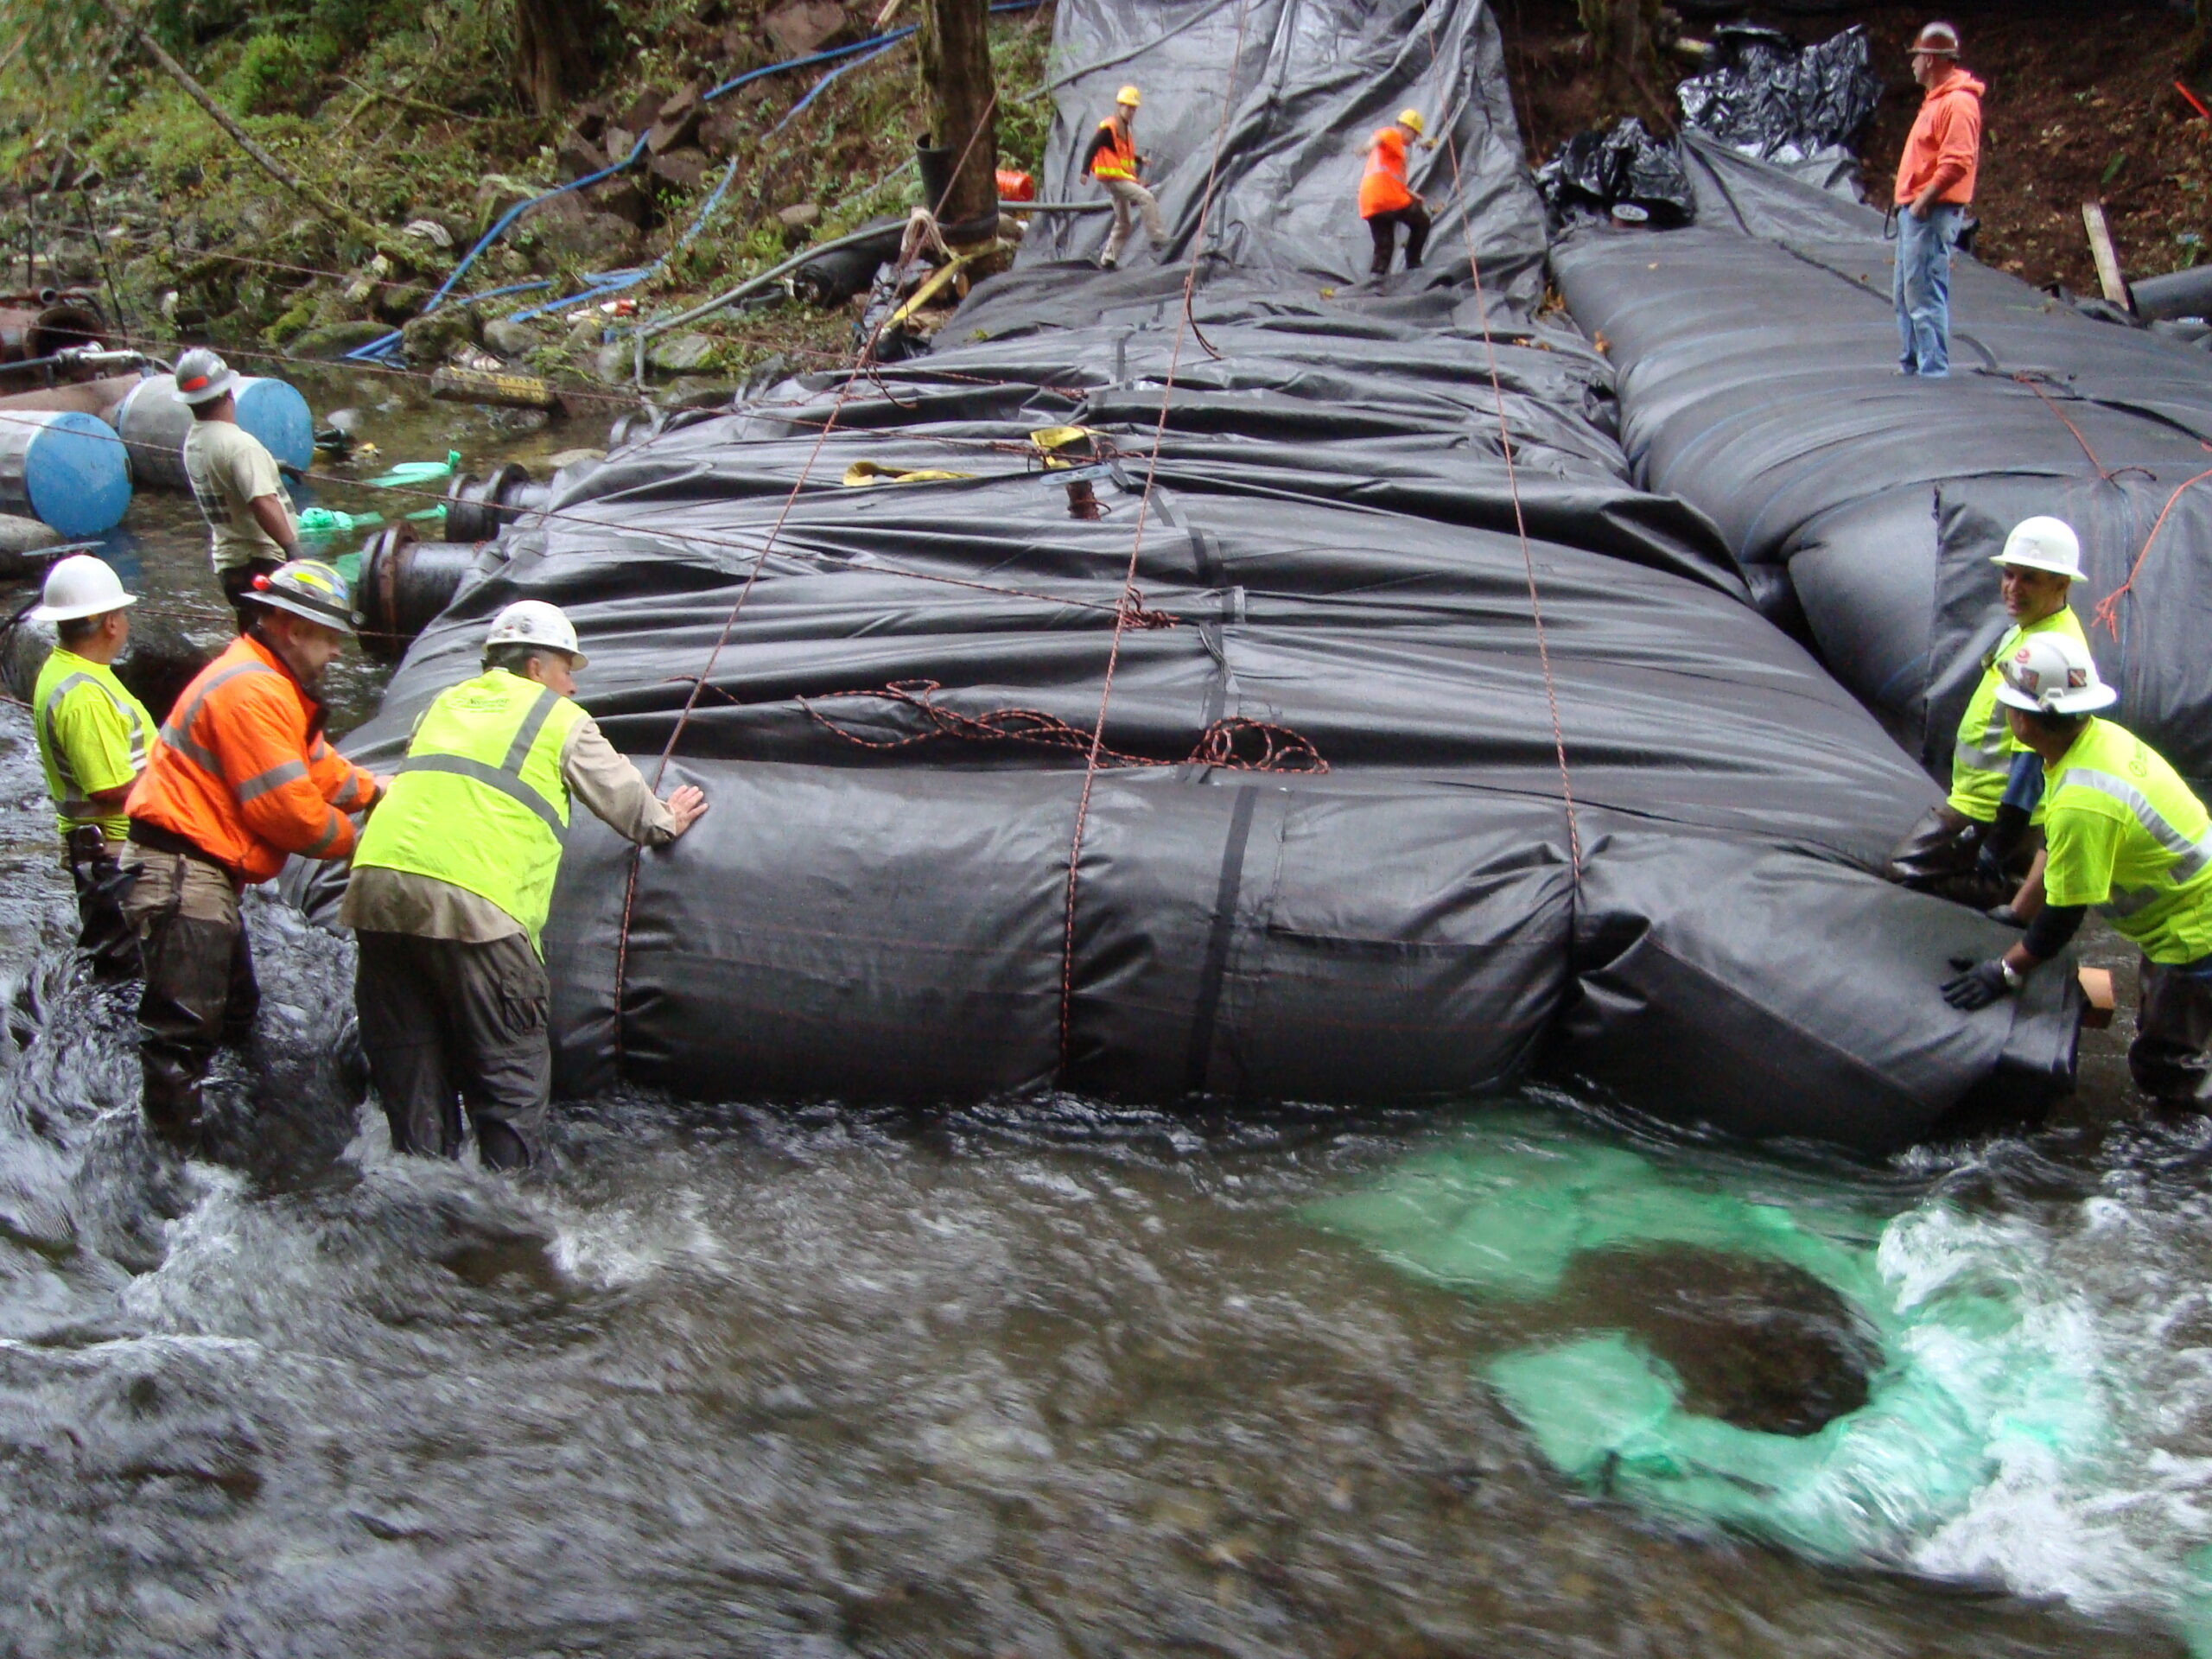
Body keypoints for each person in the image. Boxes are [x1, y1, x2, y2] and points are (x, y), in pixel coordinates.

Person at [341, 601, 708, 1170]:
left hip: (375, 893)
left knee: (412, 1083)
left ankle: (423, 1210)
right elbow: (631, 809)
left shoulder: (441, 704)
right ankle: (508, 1224)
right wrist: (668, 820)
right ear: (538, 668)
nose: (572, 686)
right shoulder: (556, 717)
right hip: (476, 906)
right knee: (509, 1079)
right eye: (568, 671)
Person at [122, 559, 385, 1153]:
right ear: (293, 628)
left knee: (237, 1012)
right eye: (331, 638)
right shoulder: (253, 690)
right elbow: (285, 812)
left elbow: (318, 768)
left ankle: (239, 1130)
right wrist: (359, 844)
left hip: (200, 875)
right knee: (182, 1035)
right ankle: (173, 1162)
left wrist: (377, 790)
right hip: (182, 876)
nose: (337, 654)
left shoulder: (268, 680)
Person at [1942, 633, 2212, 1112]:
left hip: (2195, 929)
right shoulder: (2090, 744)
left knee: (2166, 1064)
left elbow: (2064, 918)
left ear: (2024, 719)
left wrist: (2003, 972)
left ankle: (2186, 1161)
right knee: (2166, 1022)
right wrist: (2016, 913)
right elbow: (2054, 846)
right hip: (2185, 912)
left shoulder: (2085, 799)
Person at [1886, 515, 2088, 907]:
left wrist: (2000, 839)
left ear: (2061, 585)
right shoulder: (2031, 627)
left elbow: (2035, 755)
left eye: (2028, 578)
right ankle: (2024, 886)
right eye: (2009, 575)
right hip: (1979, 796)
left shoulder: (2053, 650)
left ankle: (2024, 899)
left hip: (1988, 806)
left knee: (1904, 872)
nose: (2012, 588)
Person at [28, 555, 154, 979]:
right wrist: (181, 779)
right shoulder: (83, 694)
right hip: (114, 858)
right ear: (110, 623)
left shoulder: (67, 668)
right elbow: (109, 788)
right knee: (126, 978)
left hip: (105, 855)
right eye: (122, 612)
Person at [174, 346, 302, 628]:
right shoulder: (240, 445)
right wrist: (293, 552)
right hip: (264, 562)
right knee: (284, 645)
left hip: (231, 566)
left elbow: (224, 473)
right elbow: (261, 502)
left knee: (252, 641)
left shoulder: (194, 441)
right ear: (227, 394)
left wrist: (270, 465)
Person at [1892, 22, 1983, 378]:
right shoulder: (1937, 100)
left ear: (1930, 59)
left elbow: (1958, 161)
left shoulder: (1958, 103)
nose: (1912, 64)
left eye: (1916, 57)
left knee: (1925, 295)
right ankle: (1913, 365)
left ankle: (1932, 371)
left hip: (1930, 213)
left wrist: (1923, 199)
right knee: (1907, 295)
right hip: (1916, 213)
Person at [1084, 85, 1162, 271]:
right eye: (1127, 107)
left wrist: (1139, 159)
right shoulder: (1109, 127)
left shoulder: (1124, 131)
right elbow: (1092, 147)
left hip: (1119, 178)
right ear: (1119, 106)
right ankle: (1157, 239)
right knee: (1146, 197)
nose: (1131, 111)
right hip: (1113, 179)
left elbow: (1122, 155)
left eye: (1133, 108)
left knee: (1124, 223)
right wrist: (1084, 172)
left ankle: (1108, 259)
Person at [1361, 109, 1432, 278]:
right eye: (1415, 135)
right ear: (1407, 128)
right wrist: (1367, 146)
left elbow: (1391, 179)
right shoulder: (1394, 135)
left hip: (1371, 201)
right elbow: (1381, 135)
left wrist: (1412, 194)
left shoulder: (1390, 153)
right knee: (1422, 222)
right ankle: (1414, 265)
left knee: (1384, 246)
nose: (1414, 140)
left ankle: (1375, 281)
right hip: (1388, 199)